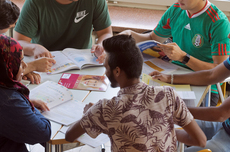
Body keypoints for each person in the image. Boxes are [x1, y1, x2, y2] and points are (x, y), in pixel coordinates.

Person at [150, 6, 230, 152]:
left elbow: (221, 113)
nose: (229, 36)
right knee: (163, 128)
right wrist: (170, 78)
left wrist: (174, 109)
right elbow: (211, 75)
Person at [65, 34, 206, 151]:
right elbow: (200, 140)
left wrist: (89, 113)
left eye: (106, 67)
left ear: (117, 71)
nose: (106, 72)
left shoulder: (104, 109)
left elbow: (69, 136)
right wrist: (160, 130)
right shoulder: (168, 95)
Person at [121, 0, 230, 106]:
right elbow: (153, 39)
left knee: (166, 115)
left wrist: (184, 58)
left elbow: (219, 72)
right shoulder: (175, 10)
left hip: (204, 86)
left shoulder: (218, 22)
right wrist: (130, 35)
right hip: (171, 75)